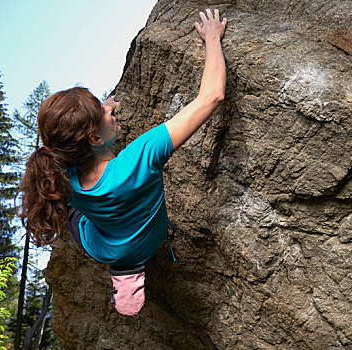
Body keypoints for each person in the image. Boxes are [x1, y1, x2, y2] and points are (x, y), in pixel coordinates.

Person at [18, 9, 228, 316]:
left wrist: (93, 116)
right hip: (148, 241)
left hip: (103, 248)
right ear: (92, 138)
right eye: (104, 113)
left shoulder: (62, 172)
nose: (111, 111)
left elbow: (64, 145)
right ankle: (129, 271)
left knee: (70, 213)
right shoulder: (140, 156)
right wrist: (212, 37)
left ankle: (125, 272)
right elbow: (212, 96)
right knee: (74, 211)